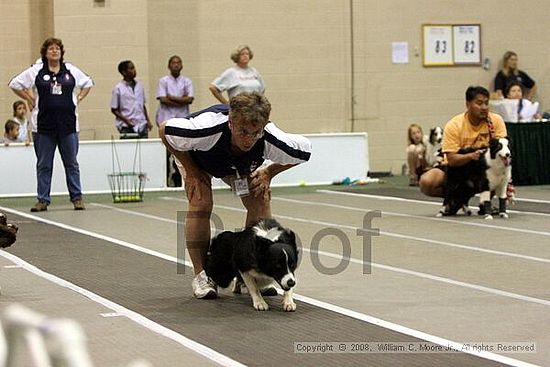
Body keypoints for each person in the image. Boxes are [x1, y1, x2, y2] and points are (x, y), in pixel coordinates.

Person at [159, 92, 311, 299]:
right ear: (231, 123)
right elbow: (164, 130)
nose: (249, 139)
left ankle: (247, 271)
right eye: (243, 131)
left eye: (255, 133)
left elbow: (305, 151)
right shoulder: (204, 129)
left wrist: (269, 172)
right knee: (201, 202)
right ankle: (202, 275)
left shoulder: (269, 138)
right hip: (197, 159)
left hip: (237, 166)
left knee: (260, 197)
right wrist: (191, 170)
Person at [8, 37, 93, 212]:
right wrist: (30, 98)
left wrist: (79, 98)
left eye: (57, 49)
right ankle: (43, 200)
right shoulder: (37, 71)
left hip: (68, 125)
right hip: (44, 127)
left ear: (61, 52)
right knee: (44, 164)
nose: (54, 51)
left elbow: (88, 83)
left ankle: (77, 198)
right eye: (51, 49)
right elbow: (15, 84)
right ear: (45, 53)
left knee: (71, 163)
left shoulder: (70, 70)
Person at [419, 86, 507, 212]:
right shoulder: (454, 125)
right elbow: (452, 159)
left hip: (484, 169)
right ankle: (457, 197)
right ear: (468, 104)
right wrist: (471, 156)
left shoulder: (496, 121)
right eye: (479, 103)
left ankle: (485, 202)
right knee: (427, 182)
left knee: (496, 168)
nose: (484, 107)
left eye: (486, 103)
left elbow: (502, 152)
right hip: (457, 168)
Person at [156, 55, 194, 187]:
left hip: (182, 121)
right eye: (173, 63)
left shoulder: (187, 81)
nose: (176, 65)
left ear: (182, 65)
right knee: (166, 153)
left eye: (178, 62)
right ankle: (167, 180)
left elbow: (189, 99)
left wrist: (171, 97)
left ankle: (179, 179)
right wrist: (180, 99)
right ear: (169, 66)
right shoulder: (163, 81)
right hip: (166, 121)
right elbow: (163, 99)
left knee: (182, 153)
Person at [111, 60, 152, 139]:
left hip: (142, 124)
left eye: (134, 68)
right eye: (131, 68)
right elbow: (114, 109)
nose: (134, 70)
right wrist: (127, 121)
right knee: (128, 150)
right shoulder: (118, 88)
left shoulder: (140, 85)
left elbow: (142, 105)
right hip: (127, 126)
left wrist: (148, 120)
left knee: (144, 149)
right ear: (124, 72)